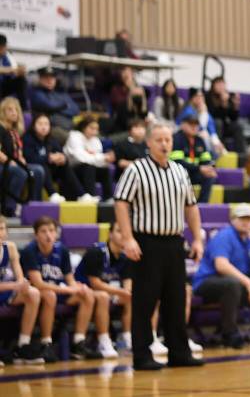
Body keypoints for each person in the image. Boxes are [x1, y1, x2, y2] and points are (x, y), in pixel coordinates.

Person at [113, 122, 204, 371]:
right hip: (146, 242)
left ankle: (179, 352)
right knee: (144, 301)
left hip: (175, 242)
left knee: (175, 299)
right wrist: (128, 238)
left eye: (168, 140)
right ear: (149, 143)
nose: (165, 144)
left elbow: (191, 207)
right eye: (160, 140)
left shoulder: (179, 171)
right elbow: (121, 203)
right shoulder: (136, 170)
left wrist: (197, 238)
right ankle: (141, 355)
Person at [192, 204, 250, 348]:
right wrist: (248, 282)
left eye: (249, 219)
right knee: (232, 284)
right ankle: (229, 333)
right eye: (242, 218)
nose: (246, 222)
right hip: (207, 281)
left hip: (235, 283)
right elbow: (221, 266)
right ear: (232, 220)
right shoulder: (224, 235)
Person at [22, 216, 114, 359]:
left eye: (52, 231)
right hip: (38, 293)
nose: (48, 235)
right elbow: (38, 284)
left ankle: (78, 343)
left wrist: (77, 287)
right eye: (43, 231)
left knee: (88, 293)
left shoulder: (62, 250)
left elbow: (69, 279)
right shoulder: (30, 251)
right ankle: (46, 342)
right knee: (49, 294)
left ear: (57, 233)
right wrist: (68, 289)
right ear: (36, 235)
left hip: (58, 291)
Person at [74, 221, 133, 350]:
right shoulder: (96, 251)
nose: (123, 235)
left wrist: (126, 292)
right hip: (83, 291)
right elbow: (95, 284)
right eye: (119, 231)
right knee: (103, 296)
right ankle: (104, 340)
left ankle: (128, 337)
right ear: (110, 234)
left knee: (130, 297)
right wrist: (120, 292)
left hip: (108, 291)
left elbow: (128, 281)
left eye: (126, 232)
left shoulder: (126, 255)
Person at [0, 215, 45, 364]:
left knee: (33, 293)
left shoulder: (10, 247)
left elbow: (19, 275)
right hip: (5, 288)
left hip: (6, 291)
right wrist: (15, 285)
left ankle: (23, 346)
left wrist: (22, 283)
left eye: (1, 229)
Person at [1, 96, 46, 214]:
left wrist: (21, 160)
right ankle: (9, 207)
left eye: (16, 110)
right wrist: (10, 162)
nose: (14, 113)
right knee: (19, 171)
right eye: (10, 110)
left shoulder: (15, 131)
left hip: (12, 164)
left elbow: (18, 151)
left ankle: (34, 206)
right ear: (2, 112)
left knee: (38, 170)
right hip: (3, 164)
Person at [63, 113, 114, 202]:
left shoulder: (96, 140)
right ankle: (90, 195)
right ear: (84, 127)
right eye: (91, 128)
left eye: (96, 129)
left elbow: (100, 161)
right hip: (71, 170)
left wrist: (103, 158)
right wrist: (101, 157)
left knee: (105, 170)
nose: (95, 132)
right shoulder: (74, 136)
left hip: (88, 168)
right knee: (89, 167)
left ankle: (108, 198)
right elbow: (80, 158)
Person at [170, 114, 216, 203]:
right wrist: (199, 168)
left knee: (210, 176)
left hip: (194, 173)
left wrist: (209, 168)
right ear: (183, 125)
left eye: (196, 124)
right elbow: (177, 162)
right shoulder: (176, 138)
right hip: (179, 173)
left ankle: (202, 204)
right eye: (191, 124)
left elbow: (206, 160)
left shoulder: (200, 140)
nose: (194, 127)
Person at [21, 113, 65, 202]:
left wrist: (61, 157)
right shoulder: (27, 138)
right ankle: (52, 194)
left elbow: (60, 152)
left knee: (65, 164)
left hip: (50, 169)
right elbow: (30, 158)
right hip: (33, 167)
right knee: (41, 166)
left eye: (46, 124)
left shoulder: (50, 138)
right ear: (33, 125)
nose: (44, 127)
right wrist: (49, 158)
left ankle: (81, 195)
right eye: (40, 124)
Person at [28, 66, 79, 138]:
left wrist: (57, 109)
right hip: (52, 130)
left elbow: (75, 110)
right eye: (46, 78)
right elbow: (49, 105)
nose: (49, 80)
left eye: (52, 78)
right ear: (40, 79)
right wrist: (65, 105)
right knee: (73, 139)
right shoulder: (36, 93)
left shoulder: (61, 93)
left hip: (70, 128)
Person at [206, 76, 245, 153]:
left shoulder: (228, 97)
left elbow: (234, 118)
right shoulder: (208, 96)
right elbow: (212, 115)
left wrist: (235, 106)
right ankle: (218, 151)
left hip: (225, 126)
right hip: (212, 126)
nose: (221, 87)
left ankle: (241, 154)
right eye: (219, 84)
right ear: (213, 85)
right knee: (218, 122)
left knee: (238, 126)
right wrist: (223, 104)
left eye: (223, 84)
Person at [113, 118, 148, 184]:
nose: (140, 130)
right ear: (130, 130)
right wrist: (136, 164)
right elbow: (120, 162)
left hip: (145, 177)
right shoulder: (122, 144)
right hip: (127, 178)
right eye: (136, 127)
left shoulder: (147, 145)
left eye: (142, 127)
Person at [0, 34, 28, 106]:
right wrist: (11, 70)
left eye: (3, 46)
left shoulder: (7, 56)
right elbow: (10, 69)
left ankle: (24, 109)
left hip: (4, 85)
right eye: (1, 46)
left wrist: (20, 72)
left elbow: (14, 71)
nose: (3, 48)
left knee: (21, 80)